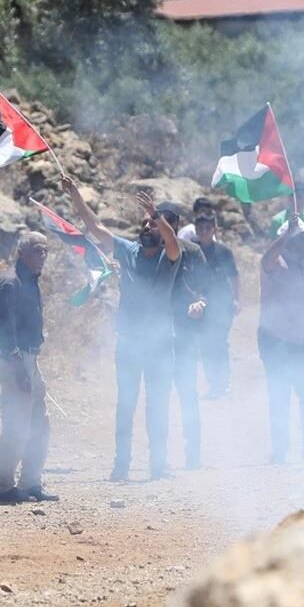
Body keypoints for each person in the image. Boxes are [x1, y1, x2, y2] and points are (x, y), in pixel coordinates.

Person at [63, 176, 182, 482]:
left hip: (159, 346)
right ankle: (121, 465)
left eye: (152, 225)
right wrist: (76, 196)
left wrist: (157, 216)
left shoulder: (171, 257)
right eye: (144, 224)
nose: (146, 228)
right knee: (125, 405)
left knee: (157, 405)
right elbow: (96, 229)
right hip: (129, 342)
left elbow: (172, 242)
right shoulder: (128, 251)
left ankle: (158, 466)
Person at [0, 231, 57, 504]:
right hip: (16, 361)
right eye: (38, 250)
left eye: (45, 251)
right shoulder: (9, 283)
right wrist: (18, 368)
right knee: (17, 424)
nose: (43, 256)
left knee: (40, 423)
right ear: (22, 252)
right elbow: (4, 330)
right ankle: (1, 486)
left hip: (30, 359)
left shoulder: (30, 281)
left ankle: (30, 482)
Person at [259, 216, 304, 465]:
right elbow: (266, 260)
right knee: (279, 395)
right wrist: (286, 235)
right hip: (276, 341)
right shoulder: (278, 263)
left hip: (300, 342)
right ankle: (280, 451)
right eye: (303, 238)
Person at [167, 203, 208, 468]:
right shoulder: (149, 250)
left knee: (187, 394)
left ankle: (193, 452)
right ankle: (158, 456)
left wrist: (201, 303)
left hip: (185, 332)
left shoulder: (192, 252)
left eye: (169, 221)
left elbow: (206, 288)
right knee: (157, 396)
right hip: (154, 333)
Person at [194, 214, 239, 399]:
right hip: (201, 305)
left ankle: (224, 382)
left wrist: (237, 299)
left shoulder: (224, 252)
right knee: (205, 345)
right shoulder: (192, 251)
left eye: (208, 228)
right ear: (196, 230)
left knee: (219, 343)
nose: (204, 231)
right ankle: (213, 384)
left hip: (223, 304)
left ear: (214, 229)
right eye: (200, 228)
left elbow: (234, 276)